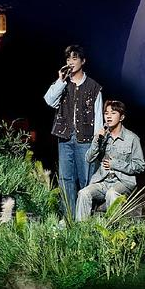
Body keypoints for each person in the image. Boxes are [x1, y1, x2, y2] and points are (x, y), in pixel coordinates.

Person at [44, 45, 103, 219]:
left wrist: (97, 142)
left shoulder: (94, 87)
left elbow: (98, 116)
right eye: (68, 58)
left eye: (74, 58)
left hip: (86, 139)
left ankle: (85, 218)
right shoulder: (63, 84)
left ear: (83, 61)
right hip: (65, 138)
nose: (70, 62)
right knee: (66, 179)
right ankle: (68, 218)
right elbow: (49, 100)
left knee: (86, 179)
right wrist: (60, 81)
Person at [76, 101, 145, 220]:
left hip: (123, 182)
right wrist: (97, 141)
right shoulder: (101, 137)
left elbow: (140, 166)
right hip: (103, 181)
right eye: (106, 113)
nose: (108, 116)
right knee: (83, 193)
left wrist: (115, 164)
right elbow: (88, 158)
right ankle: (81, 229)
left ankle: (114, 229)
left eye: (113, 113)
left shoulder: (132, 138)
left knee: (111, 194)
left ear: (121, 117)